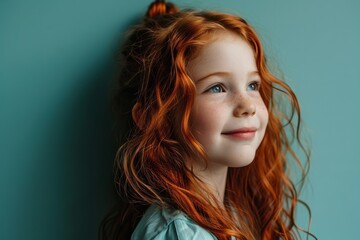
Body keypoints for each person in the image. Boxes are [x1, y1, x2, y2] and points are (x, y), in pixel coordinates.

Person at [100, 0, 316, 239]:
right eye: (217, 88)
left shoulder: (230, 217)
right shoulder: (181, 234)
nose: (248, 106)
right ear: (153, 117)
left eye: (253, 85)